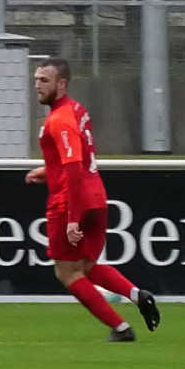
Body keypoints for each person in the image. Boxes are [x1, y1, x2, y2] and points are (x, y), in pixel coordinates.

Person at [24, 57, 160, 341]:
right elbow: (78, 158)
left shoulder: (59, 119)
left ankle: (121, 328)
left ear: (62, 84)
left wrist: (73, 218)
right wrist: (48, 171)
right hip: (96, 196)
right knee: (84, 266)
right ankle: (137, 294)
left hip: (71, 201)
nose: (37, 85)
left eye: (44, 80)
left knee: (66, 272)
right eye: (36, 79)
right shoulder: (76, 110)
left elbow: (74, 167)